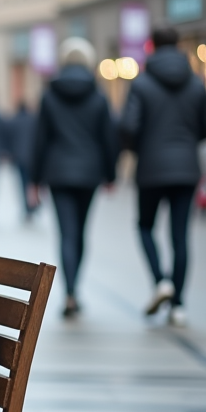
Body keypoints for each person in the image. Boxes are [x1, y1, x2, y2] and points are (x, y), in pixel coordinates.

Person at [120, 26, 206, 327]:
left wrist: (139, 147)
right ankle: (179, 304)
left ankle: (160, 282)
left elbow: (129, 126)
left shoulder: (142, 83)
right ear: (179, 45)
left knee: (145, 226)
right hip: (186, 169)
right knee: (180, 236)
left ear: (152, 45)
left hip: (152, 168)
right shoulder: (196, 83)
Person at [30, 37, 118, 319]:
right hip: (90, 172)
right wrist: (111, 174)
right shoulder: (99, 94)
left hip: (58, 172)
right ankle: (73, 289)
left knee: (66, 232)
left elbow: (40, 140)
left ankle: (69, 294)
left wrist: (33, 180)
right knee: (80, 232)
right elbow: (109, 137)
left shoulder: (49, 94)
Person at [8, 100, 39, 220]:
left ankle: (27, 207)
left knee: (22, 183)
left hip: (19, 158)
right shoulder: (34, 120)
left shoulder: (14, 120)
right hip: (32, 157)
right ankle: (32, 206)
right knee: (31, 183)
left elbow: (10, 138)